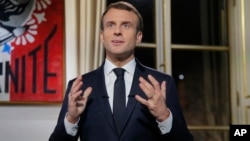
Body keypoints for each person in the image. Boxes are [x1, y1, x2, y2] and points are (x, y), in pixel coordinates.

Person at [49, 1, 193, 141]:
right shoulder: (80, 86)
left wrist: (164, 117)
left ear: (138, 37)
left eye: (126, 25)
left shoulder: (161, 84)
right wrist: (71, 119)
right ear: (101, 36)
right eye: (110, 25)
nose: (117, 31)